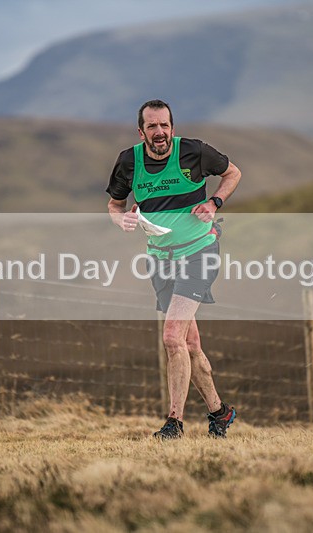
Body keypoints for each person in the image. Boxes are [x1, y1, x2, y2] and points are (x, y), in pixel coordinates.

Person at [106, 99, 242, 439]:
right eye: (152, 126)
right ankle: (220, 412)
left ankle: (174, 423)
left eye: (164, 125)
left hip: (199, 252)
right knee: (190, 344)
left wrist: (214, 202)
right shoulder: (128, 161)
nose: (160, 132)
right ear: (142, 132)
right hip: (160, 259)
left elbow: (232, 173)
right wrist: (121, 219)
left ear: (173, 128)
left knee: (171, 337)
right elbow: (114, 204)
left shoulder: (193, 152)